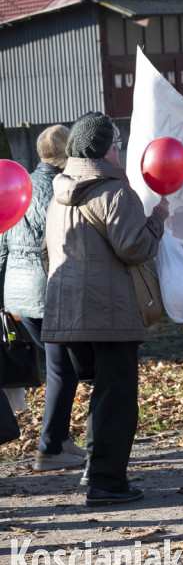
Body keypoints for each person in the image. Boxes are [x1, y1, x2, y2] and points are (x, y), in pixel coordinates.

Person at [41, 112, 168, 506]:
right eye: (115, 143)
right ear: (102, 149)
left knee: (102, 396)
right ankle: (106, 482)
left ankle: (96, 473)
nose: (119, 149)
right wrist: (157, 220)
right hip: (110, 313)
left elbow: (46, 252)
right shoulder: (114, 191)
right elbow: (135, 248)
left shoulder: (59, 191)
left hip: (67, 314)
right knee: (116, 401)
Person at [0, 125, 86, 471]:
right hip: (45, 292)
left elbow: (2, 245)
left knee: (61, 368)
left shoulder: (17, 183)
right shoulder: (59, 189)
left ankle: (61, 439)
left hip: (16, 294)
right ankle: (50, 448)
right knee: (63, 370)